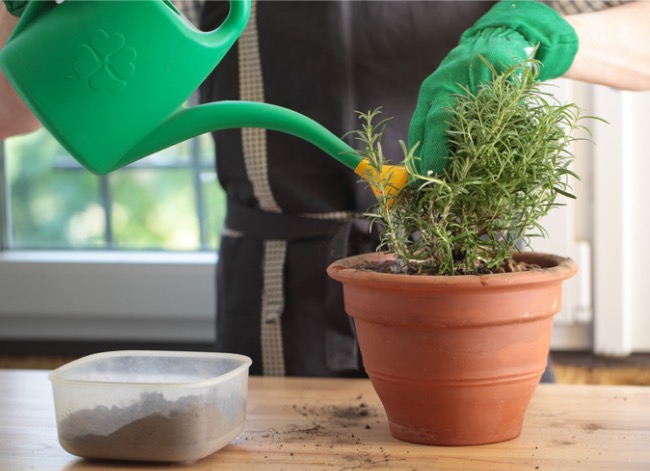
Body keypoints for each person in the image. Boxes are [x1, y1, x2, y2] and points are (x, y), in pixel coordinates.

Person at [2, 1, 650, 378]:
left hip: (474, 288)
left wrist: (543, 32)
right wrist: (53, 26)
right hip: (278, 299)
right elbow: (17, 108)